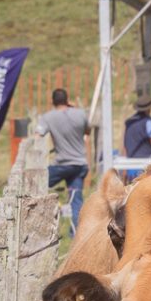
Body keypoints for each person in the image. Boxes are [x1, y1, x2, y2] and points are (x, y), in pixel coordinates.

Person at [37, 88, 91, 230]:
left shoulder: (48, 117)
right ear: (67, 100)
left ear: (52, 101)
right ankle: (77, 233)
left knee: (37, 185)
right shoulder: (80, 113)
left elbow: (38, 135)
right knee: (76, 200)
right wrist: (74, 110)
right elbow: (88, 131)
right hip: (79, 166)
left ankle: (42, 224)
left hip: (61, 165)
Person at [123, 95, 151, 161]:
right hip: (146, 155)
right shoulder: (148, 121)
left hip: (131, 155)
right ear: (149, 108)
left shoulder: (129, 121)